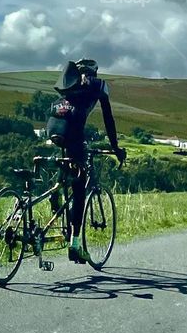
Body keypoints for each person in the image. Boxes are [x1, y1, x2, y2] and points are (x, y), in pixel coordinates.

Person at [45, 57, 126, 262]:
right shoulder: (97, 85)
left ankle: (56, 189)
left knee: (68, 165)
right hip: (74, 132)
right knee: (80, 188)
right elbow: (109, 118)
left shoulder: (68, 86)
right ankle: (75, 244)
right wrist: (115, 147)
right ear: (95, 73)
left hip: (54, 124)